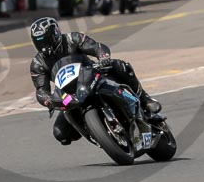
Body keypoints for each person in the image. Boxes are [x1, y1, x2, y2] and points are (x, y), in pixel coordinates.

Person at [29, 17, 161, 146]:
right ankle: (95, 132)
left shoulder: (72, 38)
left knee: (120, 66)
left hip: (91, 76)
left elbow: (95, 46)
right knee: (60, 133)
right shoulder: (38, 63)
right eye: (39, 42)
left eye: (46, 39)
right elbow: (41, 90)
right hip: (69, 96)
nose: (44, 46)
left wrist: (103, 56)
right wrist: (48, 100)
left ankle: (145, 99)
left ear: (56, 33)